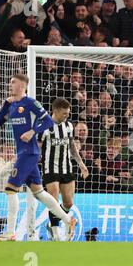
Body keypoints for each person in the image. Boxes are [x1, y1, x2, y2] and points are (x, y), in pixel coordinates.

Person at [0, 74, 76, 241]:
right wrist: (5, 105)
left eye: (13, 82)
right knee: (39, 193)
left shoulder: (30, 103)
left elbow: (47, 121)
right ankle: (68, 220)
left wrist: (32, 132)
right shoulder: (12, 105)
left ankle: (10, 232)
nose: (11, 85)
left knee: (10, 189)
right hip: (22, 153)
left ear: (22, 86)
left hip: (29, 153)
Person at [39, 98, 89, 241]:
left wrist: (81, 164)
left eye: (68, 113)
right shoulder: (44, 127)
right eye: (64, 114)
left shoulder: (68, 126)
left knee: (68, 203)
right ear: (55, 111)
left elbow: (72, 147)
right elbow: (37, 146)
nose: (66, 116)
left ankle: (52, 223)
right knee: (53, 201)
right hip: (50, 168)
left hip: (66, 167)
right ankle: (55, 233)